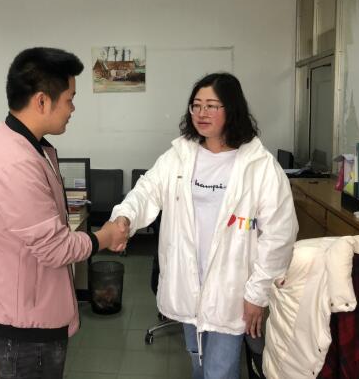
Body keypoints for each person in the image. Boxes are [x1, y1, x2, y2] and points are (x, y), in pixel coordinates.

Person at [111, 72, 298, 379]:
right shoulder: (180, 156)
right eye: (196, 105)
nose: (201, 113)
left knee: (218, 372)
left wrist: (258, 293)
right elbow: (146, 190)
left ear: (231, 109)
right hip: (189, 284)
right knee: (198, 366)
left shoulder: (260, 166)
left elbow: (279, 235)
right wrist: (125, 217)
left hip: (232, 289)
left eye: (212, 105)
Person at [0, 47, 128, 379]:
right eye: (69, 99)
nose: (72, 108)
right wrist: (104, 236)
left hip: (24, 312)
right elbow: (55, 248)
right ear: (42, 101)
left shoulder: (24, 145)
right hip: (24, 331)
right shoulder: (15, 163)